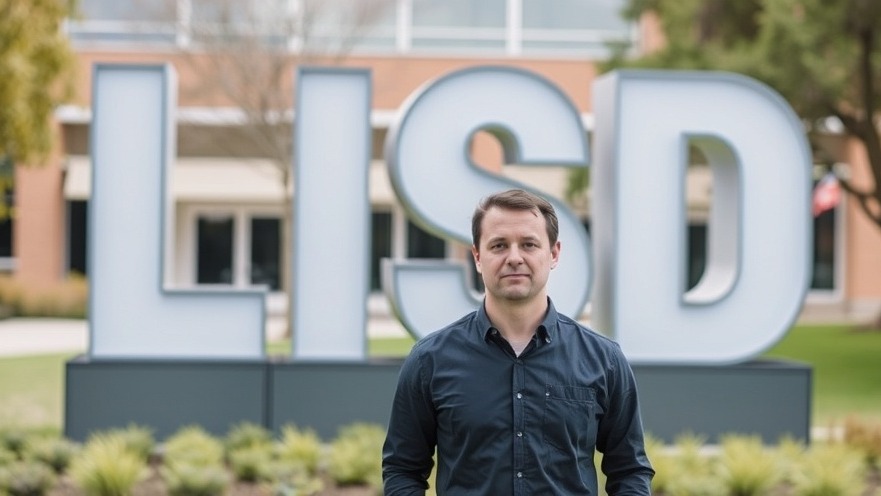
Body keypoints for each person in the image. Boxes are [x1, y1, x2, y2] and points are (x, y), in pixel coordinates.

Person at [382, 188, 654, 495]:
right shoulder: (429, 360)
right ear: (477, 257)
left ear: (553, 254)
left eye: (529, 244)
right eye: (499, 245)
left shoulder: (604, 360)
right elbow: (402, 470)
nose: (514, 257)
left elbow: (630, 470)